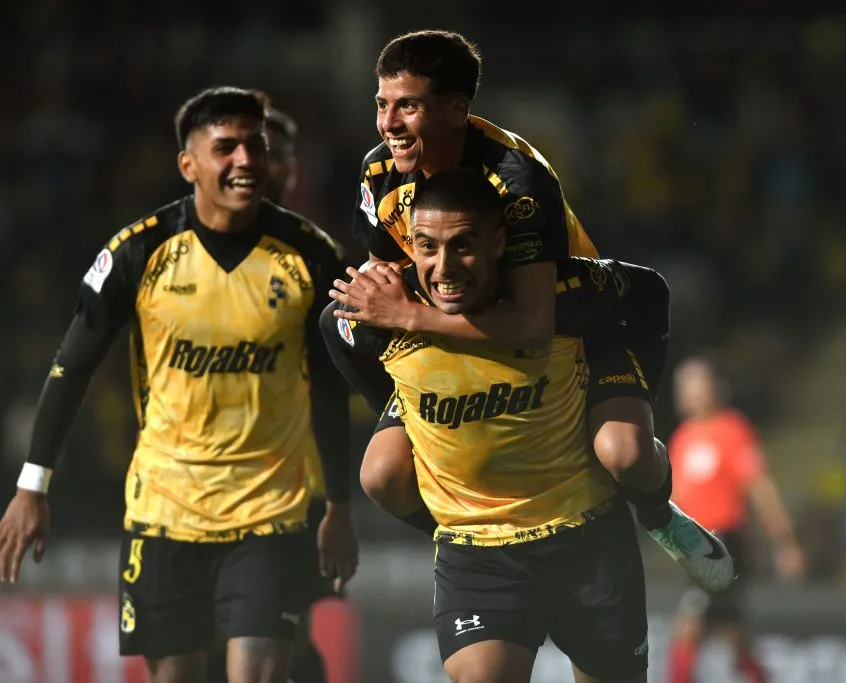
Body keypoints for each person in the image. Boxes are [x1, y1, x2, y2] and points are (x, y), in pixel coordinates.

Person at [331, 28, 731, 587]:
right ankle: (456, 533)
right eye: (382, 105)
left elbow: (531, 322)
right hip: (461, 324)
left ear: (456, 110)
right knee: (378, 469)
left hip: (575, 323)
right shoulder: (380, 173)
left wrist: (412, 318)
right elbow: (382, 282)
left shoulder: (516, 180)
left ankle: (660, 517)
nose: (389, 124)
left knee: (624, 453)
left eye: (407, 107)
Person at [0, 86, 357, 683]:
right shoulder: (140, 252)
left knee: (263, 670)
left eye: (254, 146)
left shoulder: (310, 256)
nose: (244, 160)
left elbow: (329, 386)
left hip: (270, 510)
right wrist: (32, 487)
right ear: (188, 164)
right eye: (226, 148)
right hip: (165, 512)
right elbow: (72, 366)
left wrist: (340, 506)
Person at [325, 167, 657, 682]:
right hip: (478, 550)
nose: (443, 266)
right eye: (427, 247)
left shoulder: (558, 298)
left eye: (463, 246)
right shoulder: (378, 310)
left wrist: (634, 398)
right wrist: (398, 408)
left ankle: (659, 502)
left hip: (585, 537)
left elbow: (650, 292)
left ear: (500, 242)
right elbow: (334, 331)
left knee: (629, 452)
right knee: (380, 474)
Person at [202, 91, 332, 683]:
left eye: (275, 152)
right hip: (198, 479)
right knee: (209, 634)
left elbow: (337, 381)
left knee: (282, 634)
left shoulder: (318, 260)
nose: (260, 163)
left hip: (293, 485)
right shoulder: (187, 250)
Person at [665, 356, 805, 683]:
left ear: (715, 388)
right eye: (683, 384)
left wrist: (785, 543)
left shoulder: (732, 431)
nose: (688, 391)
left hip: (724, 545)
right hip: (695, 550)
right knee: (735, 637)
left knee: (688, 628)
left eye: (696, 382)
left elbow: (760, 489)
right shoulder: (681, 439)